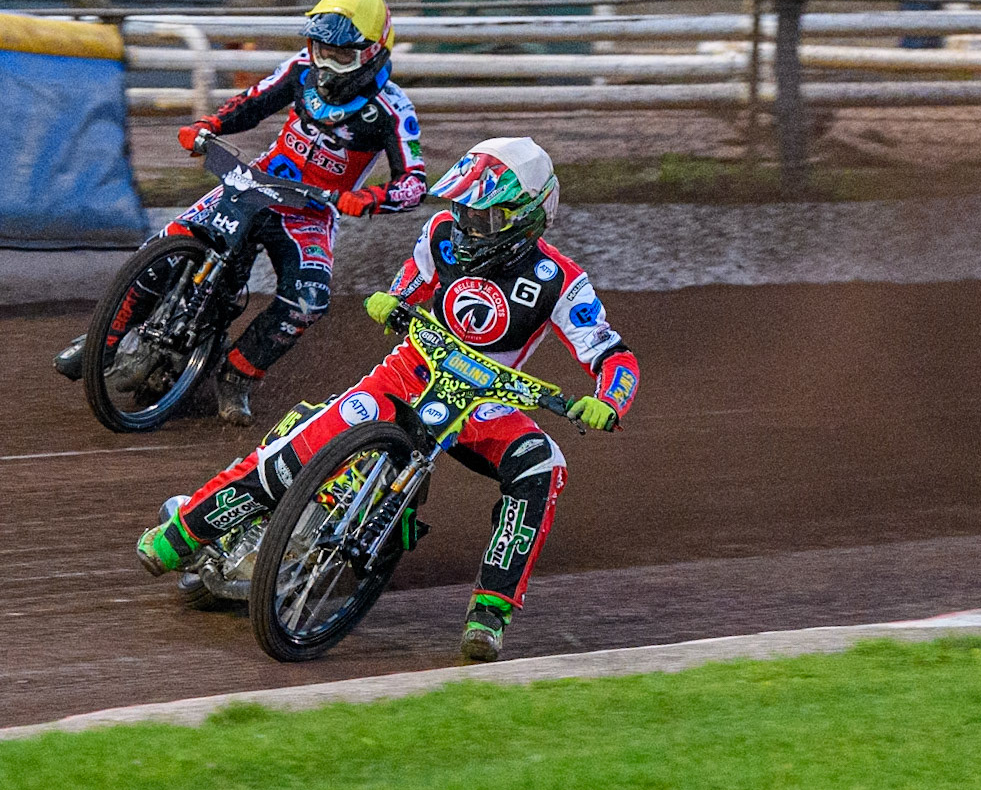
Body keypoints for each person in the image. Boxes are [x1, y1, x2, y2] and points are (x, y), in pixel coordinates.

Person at [133, 137, 640, 662]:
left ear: (524, 219)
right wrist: (392, 298)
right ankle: (181, 533)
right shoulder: (442, 233)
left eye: (481, 217)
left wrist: (609, 399)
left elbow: (615, 357)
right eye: (461, 208)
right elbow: (409, 282)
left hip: (482, 404)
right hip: (403, 376)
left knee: (543, 466)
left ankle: (490, 613)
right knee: (297, 452)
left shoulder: (561, 280)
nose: (465, 225)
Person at [54, 0, 426, 427]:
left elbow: (414, 182)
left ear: (372, 53)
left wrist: (370, 198)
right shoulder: (300, 70)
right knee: (161, 248)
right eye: (320, 49)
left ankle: (237, 375)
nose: (326, 64)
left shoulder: (393, 109)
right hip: (254, 181)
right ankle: (104, 341)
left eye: (341, 56)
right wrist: (208, 125)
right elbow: (252, 103)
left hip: (310, 211)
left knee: (308, 300)